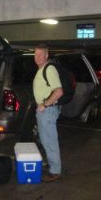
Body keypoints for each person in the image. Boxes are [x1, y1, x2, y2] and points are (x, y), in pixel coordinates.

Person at [33, 44, 63, 182]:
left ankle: (55, 171)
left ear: (46, 56)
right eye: (36, 54)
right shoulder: (41, 70)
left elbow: (59, 91)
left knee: (50, 141)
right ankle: (53, 165)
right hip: (45, 111)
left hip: (47, 111)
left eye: (40, 55)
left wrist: (44, 104)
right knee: (46, 140)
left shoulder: (49, 69)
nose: (37, 57)